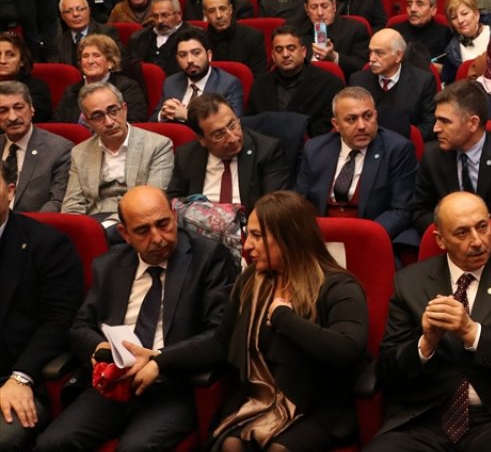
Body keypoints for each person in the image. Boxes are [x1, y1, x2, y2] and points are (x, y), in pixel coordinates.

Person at [137, 190, 367, 450]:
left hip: (319, 404)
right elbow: (220, 343)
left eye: (258, 236)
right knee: (231, 445)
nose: (246, 246)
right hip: (262, 399)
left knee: (278, 449)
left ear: (289, 238)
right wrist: (160, 361)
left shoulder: (338, 286)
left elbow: (347, 349)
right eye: (249, 234)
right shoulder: (251, 281)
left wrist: (283, 318)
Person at [38, 185, 237, 451]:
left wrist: (158, 361)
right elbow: (80, 326)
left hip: (172, 385)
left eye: (163, 224)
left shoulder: (208, 257)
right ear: (125, 234)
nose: (157, 238)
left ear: (174, 218)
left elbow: (219, 335)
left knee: (134, 448)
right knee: (53, 443)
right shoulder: (109, 266)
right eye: (143, 230)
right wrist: (99, 349)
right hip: (116, 385)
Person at [368, 191, 491, 451]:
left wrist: (472, 333)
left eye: (483, 227)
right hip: (422, 419)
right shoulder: (410, 282)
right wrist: (426, 344)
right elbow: (387, 369)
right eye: (462, 233)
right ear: (441, 240)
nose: (478, 241)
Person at [0, 159, 81, 449]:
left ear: (11, 191)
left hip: (19, 377)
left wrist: (21, 378)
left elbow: (59, 321)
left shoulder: (47, 244)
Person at [410, 79, 491, 242]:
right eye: (436, 119)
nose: (435, 128)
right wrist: (454, 233)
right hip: (449, 248)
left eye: (445, 121)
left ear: (473, 123)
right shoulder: (432, 156)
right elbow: (419, 211)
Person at [295, 87, 417, 246]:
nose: (361, 126)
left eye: (367, 116)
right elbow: (300, 201)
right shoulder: (315, 149)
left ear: (376, 116)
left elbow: (401, 211)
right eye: (351, 119)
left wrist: (364, 236)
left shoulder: (397, 150)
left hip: (368, 239)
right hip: (320, 239)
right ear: (336, 124)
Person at [62, 82, 174, 224]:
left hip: (138, 222)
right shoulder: (79, 152)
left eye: (113, 111)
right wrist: (81, 230)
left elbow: (151, 202)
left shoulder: (158, 146)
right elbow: (72, 205)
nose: (109, 122)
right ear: (88, 122)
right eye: (97, 117)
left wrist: (109, 225)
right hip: (93, 223)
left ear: (125, 109)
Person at [167, 93, 291, 210]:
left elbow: (273, 209)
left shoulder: (267, 150)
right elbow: (173, 202)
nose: (233, 138)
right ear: (201, 139)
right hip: (197, 228)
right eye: (219, 134)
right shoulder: (186, 155)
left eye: (233, 125)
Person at [246, 25, 345, 138]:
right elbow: (252, 126)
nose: (285, 55)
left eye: (291, 48)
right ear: (273, 56)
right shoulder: (260, 85)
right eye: (279, 50)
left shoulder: (329, 84)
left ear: (303, 52)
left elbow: (328, 131)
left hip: (311, 150)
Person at [350, 28, 439, 140]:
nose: (371, 59)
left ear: (398, 56)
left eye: (379, 53)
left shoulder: (423, 81)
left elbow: (430, 125)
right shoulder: (358, 80)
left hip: (406, 145)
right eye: (370, 52)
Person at [0, 81, 71, 212]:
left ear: (32, 109)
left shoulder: (59, 149)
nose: (12, 117)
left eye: (19, 108)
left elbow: (57, 201)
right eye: (3, 111)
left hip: (32, 227)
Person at [154, 28, 244, 123]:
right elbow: (152, 122)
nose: (189, 60)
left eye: (196, 53)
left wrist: (187, 115)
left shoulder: (228, 84)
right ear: (177, 59)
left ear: (209, 55)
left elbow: (232, 123)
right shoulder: (171, 83)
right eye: (183, 55)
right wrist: (163, 114)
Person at [54, 35, 148, 123]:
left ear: (110, 62)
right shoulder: (71, 91)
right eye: (85, 56)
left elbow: (134, 122)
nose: (90, 61)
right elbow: (57, 125)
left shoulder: (127, 87)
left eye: (96, 55)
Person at [294, 0, 372, 79]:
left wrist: (334, 57)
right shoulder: (294, 29)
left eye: (324, 6)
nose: (320, 13)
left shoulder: (355, 29)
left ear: (334, 6)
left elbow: (363, 66)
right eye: (314, 7)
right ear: (306, 9)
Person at [129, 0, 199, 76]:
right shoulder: (139, 37)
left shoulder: (195, 35)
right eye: (155, 16)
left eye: (165, 15)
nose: (159, 21)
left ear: (179, 15)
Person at [203, 0, 269, 76]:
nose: (218, 15)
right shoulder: (200, 41)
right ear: (206, 15)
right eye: (212, 11)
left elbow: (259, 77)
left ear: (230, 10)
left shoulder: (253, 37)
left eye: (222, 9)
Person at [0, 32, 53, 123]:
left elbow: (23, 121)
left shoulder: (37, 89)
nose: (2, 60)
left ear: (22, 61)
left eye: (10, 55)